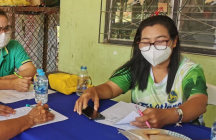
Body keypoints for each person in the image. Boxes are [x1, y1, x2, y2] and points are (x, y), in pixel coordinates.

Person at [74, 15, 208, 128]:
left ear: (174, 41)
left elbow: (199, 102)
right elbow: (111, 87)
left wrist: (167, 116)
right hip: (144, 132)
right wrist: (93, 91)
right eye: (146, 42)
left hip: (183, 134)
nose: (152, 47)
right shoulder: (137, 67)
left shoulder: (190, 71)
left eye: (160, 41)